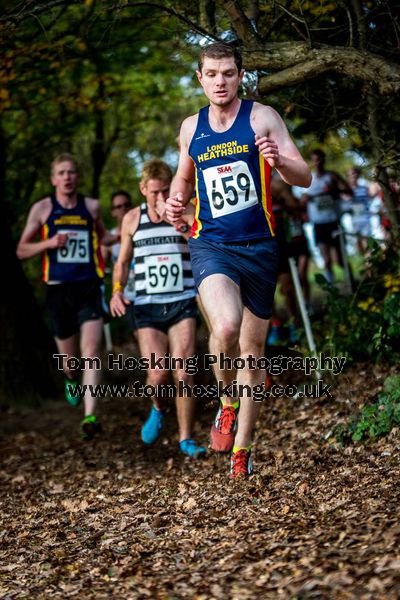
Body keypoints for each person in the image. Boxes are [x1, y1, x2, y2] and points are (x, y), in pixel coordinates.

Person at [165, 41, 311, 477]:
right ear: (200, 78)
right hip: (212, 243)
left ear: (240, 74)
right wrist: (176, 201)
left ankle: (241, 451)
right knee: (225, 327)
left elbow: (303, 176)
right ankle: (226, 401)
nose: (220, 81)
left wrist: (279, 159)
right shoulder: (192, 127)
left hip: (260, 247)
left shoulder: (262, 117)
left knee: (252, 351)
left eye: (228, 73)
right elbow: (182, 176)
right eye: (211, 74)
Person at [110, 158, 206, 458]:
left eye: (166, 191)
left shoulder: (184, 211)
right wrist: (116, 291)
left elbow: (204, 245)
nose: (161, 199)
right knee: (158, 375)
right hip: (147, 306)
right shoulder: (131, 219)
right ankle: (158, 406)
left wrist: (184, 225)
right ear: (142, 190)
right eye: (154, 193)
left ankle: (186, 438)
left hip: (182, 301)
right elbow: (123, 262)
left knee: (185, 370)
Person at [17, 153, 116, 439]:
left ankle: (90, 415)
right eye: (61, 173)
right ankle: (71, 379)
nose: (67, 177)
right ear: (53, 179)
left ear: (78, 177)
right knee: (70, 362)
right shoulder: (43, 209)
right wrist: (48, 242)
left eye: (72, 172)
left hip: (88, 287)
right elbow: (21, 250)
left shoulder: (92, 207)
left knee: (92, 351)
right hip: (58, 290)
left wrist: (126, 231)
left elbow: (104, 237)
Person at [301, 149, 352, 284]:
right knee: (327, 260)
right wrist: (305, 201)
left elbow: (349, 191)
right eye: (314, 160)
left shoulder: (332, 176)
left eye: (319, 159)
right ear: (311, 162)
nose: (317, 163)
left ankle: (352, 282)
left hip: (333, 222)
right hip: (318, 224)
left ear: (324, 160)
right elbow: (301, 201)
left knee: (339, 259)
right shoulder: (308, 179)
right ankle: (332, 288)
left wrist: (335, 191)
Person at [102, 190, 137, 336]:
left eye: (127, 205)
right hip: (128, 296)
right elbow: (99, 266)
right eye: (119, 206)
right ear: (112, 212)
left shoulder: (143, 230)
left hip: (151, 292)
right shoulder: (109, 240)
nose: (123, 208)